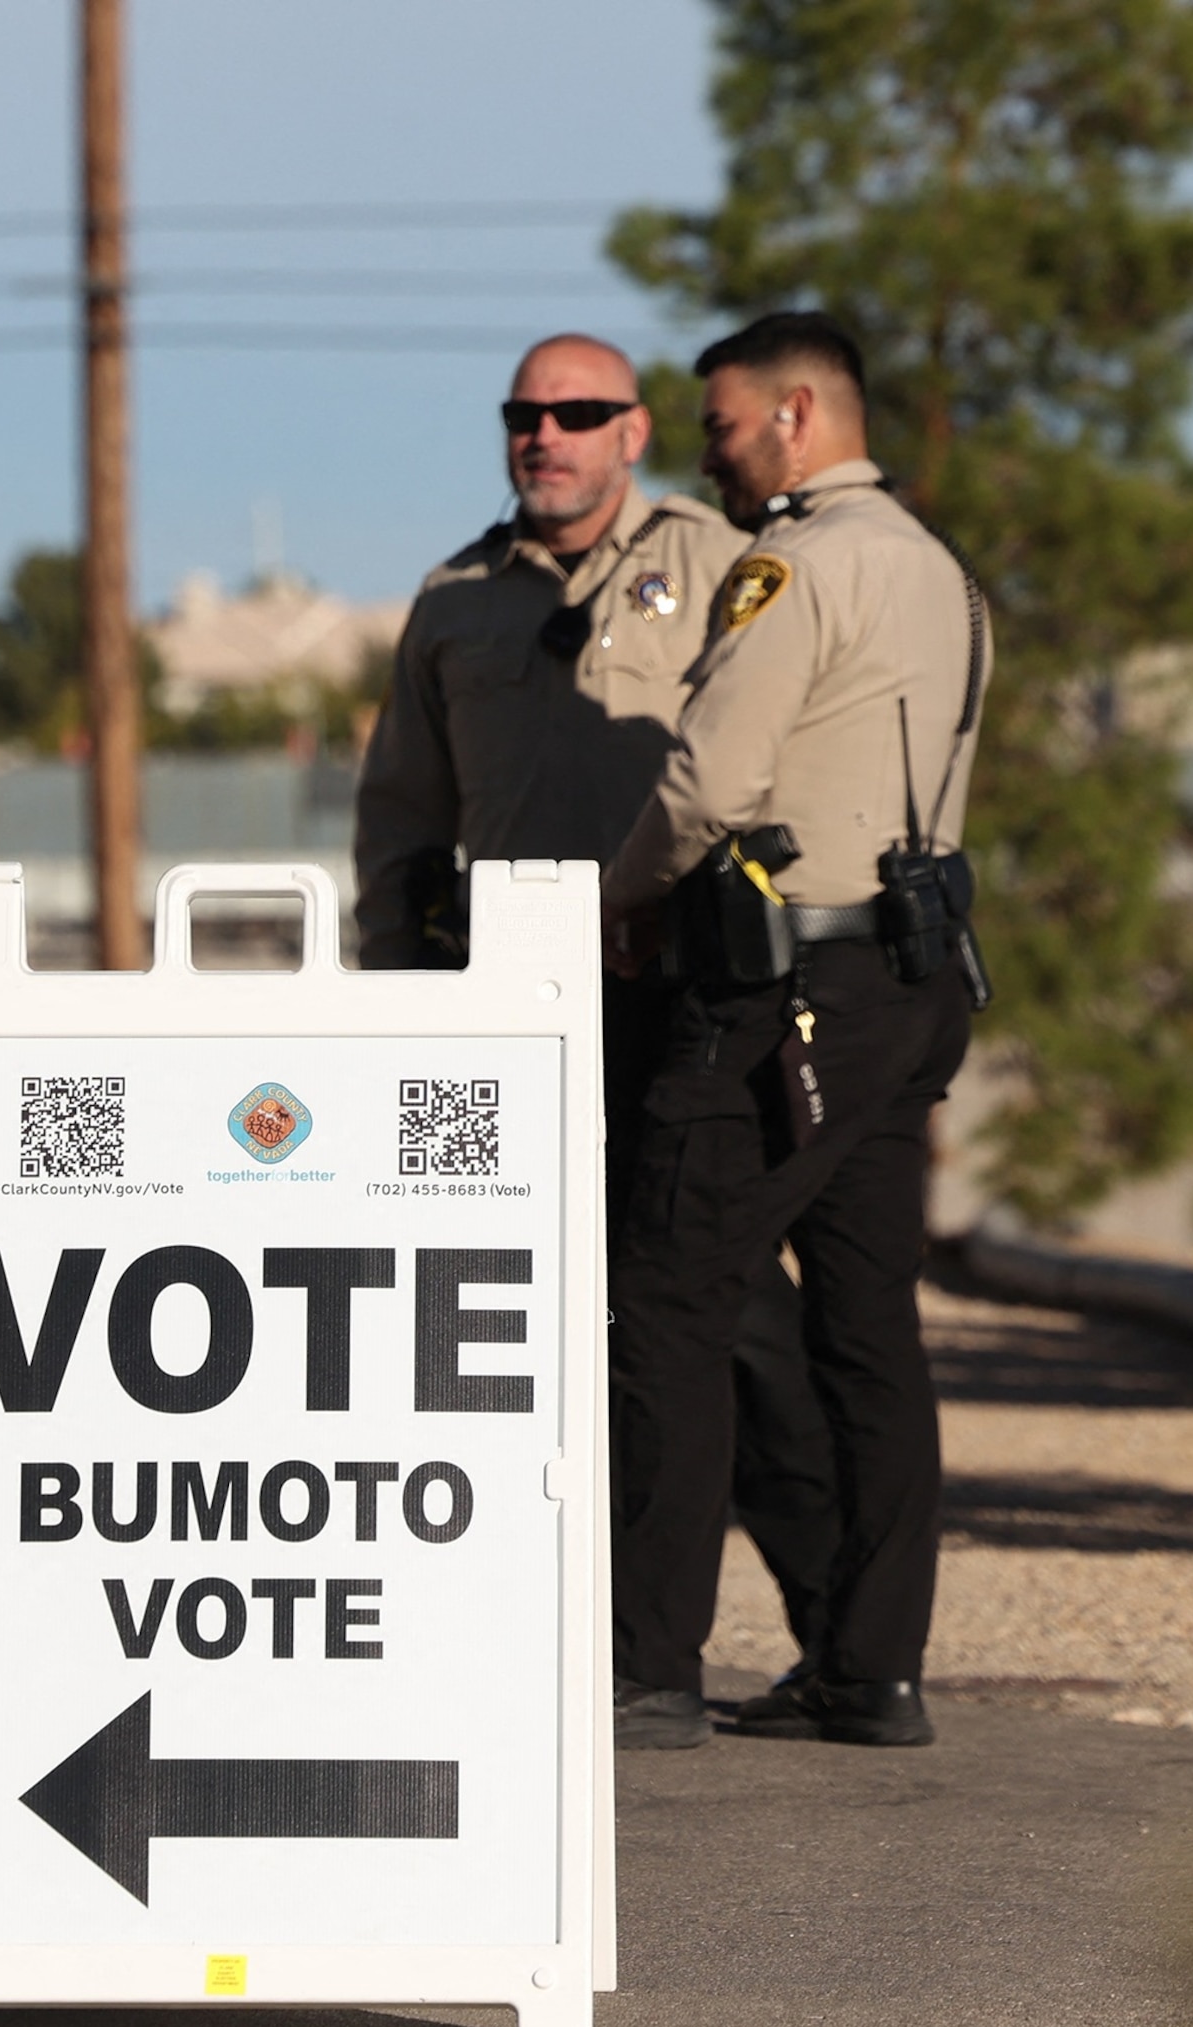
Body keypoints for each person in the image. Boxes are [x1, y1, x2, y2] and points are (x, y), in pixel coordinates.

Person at [352, 332, 843, 1748]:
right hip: (502, 1000)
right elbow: (400, 810)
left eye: (578, 414)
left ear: (635, 432)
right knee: (494, 1323)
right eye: (525, 415)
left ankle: (836, 1626)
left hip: (678, 983)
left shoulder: (716, 560)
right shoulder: (454, 600)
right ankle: (540, 1627)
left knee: (728, 1309)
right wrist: (396, 989)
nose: (545, 437)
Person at [602, 312, 988, 1748]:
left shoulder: (797, 566)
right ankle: (870, 1666)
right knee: (869, 1325)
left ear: (799, 412)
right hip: (909, 978)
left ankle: (650, 1665)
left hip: (786, 993)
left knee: (668, 1288)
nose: (710, 453)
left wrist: (610, 902)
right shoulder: (945, 575)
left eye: (720, 426)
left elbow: (707, 782)